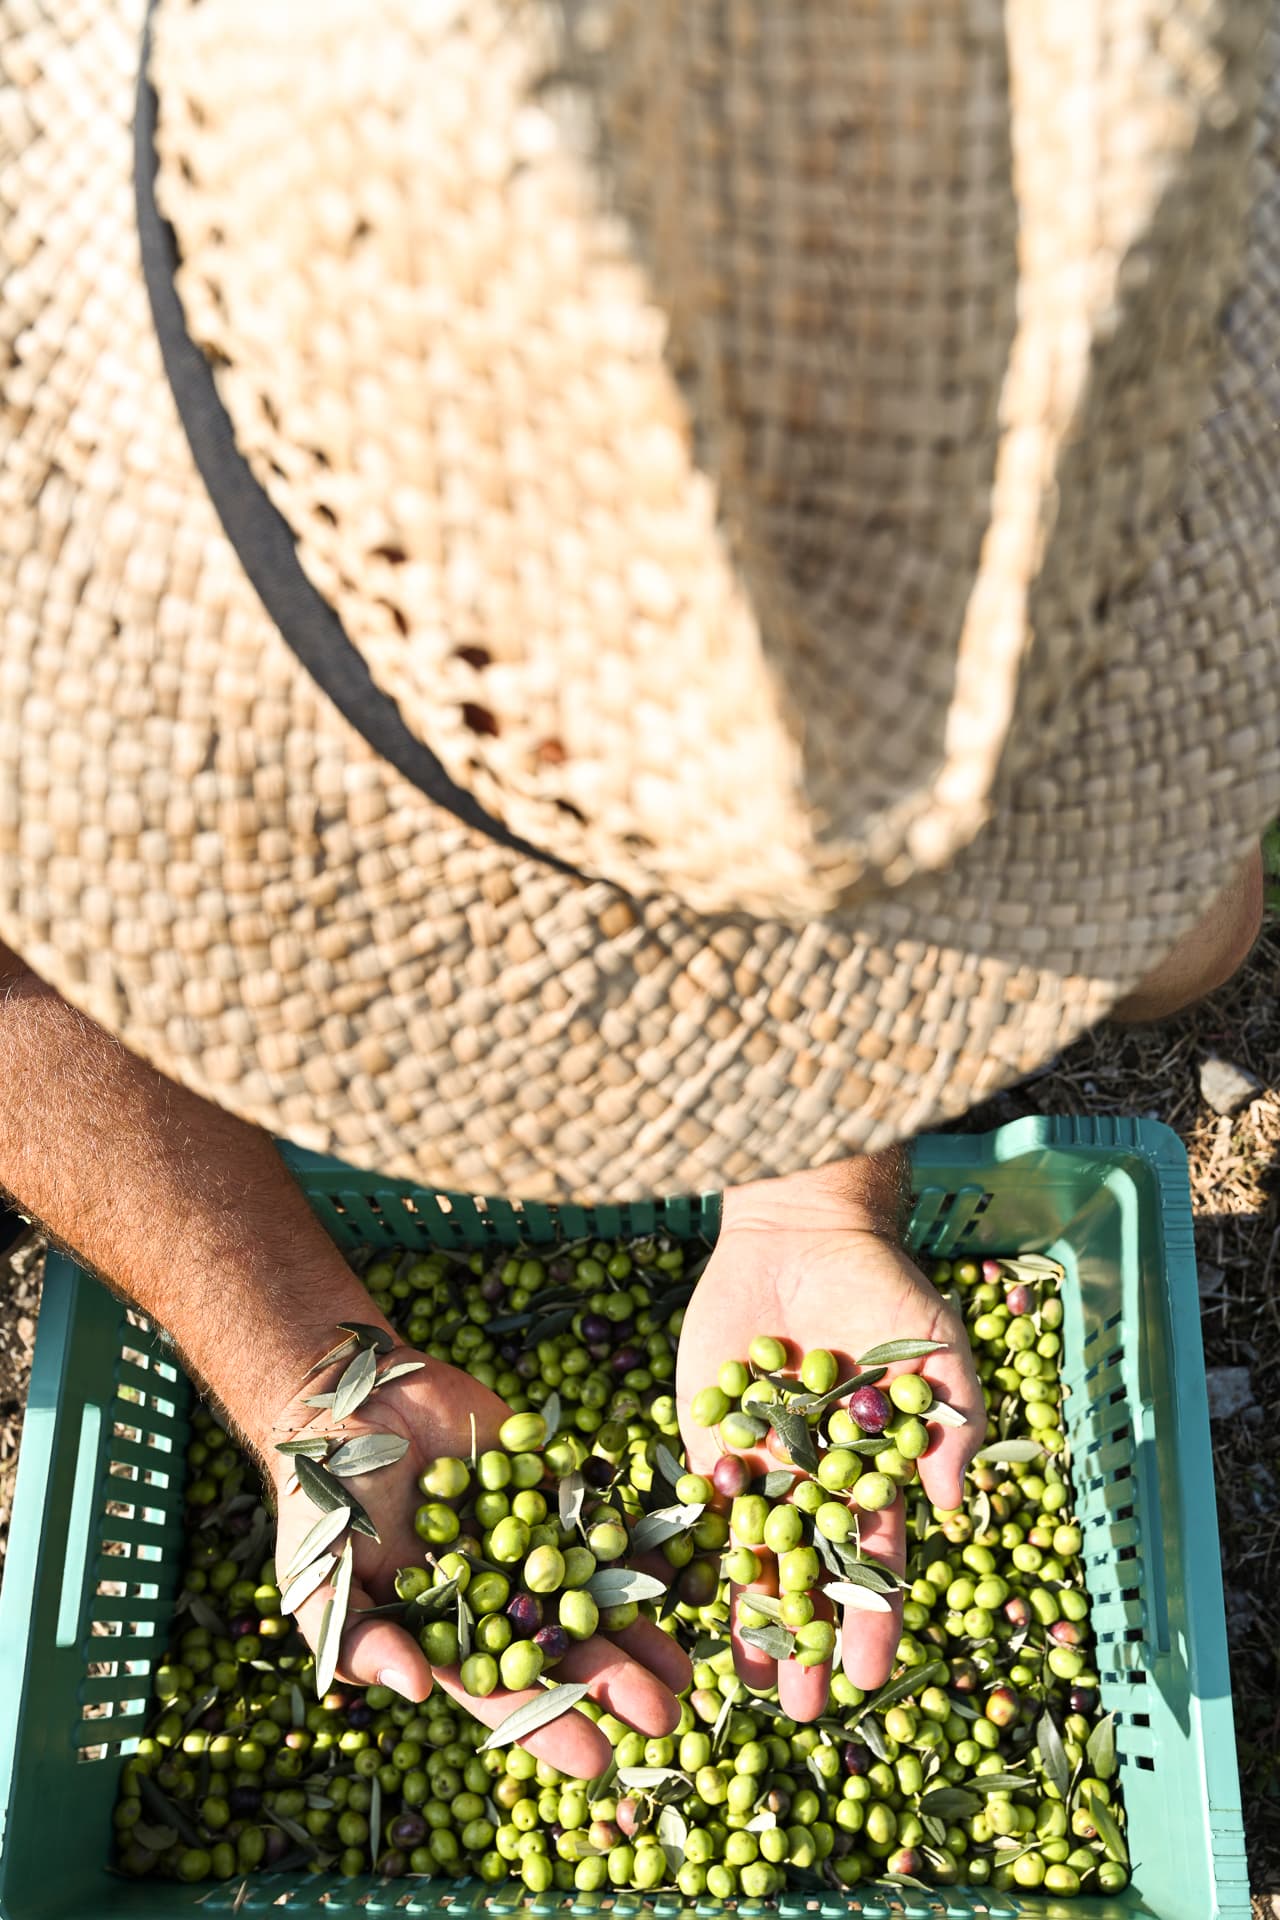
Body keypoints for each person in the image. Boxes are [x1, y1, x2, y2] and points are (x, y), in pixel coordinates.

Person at [1, 0, 1277, 1777]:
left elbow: (810, 730)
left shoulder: (1077, 179)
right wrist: (306, 1369)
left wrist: (808, 1190)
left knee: (1178, 938)